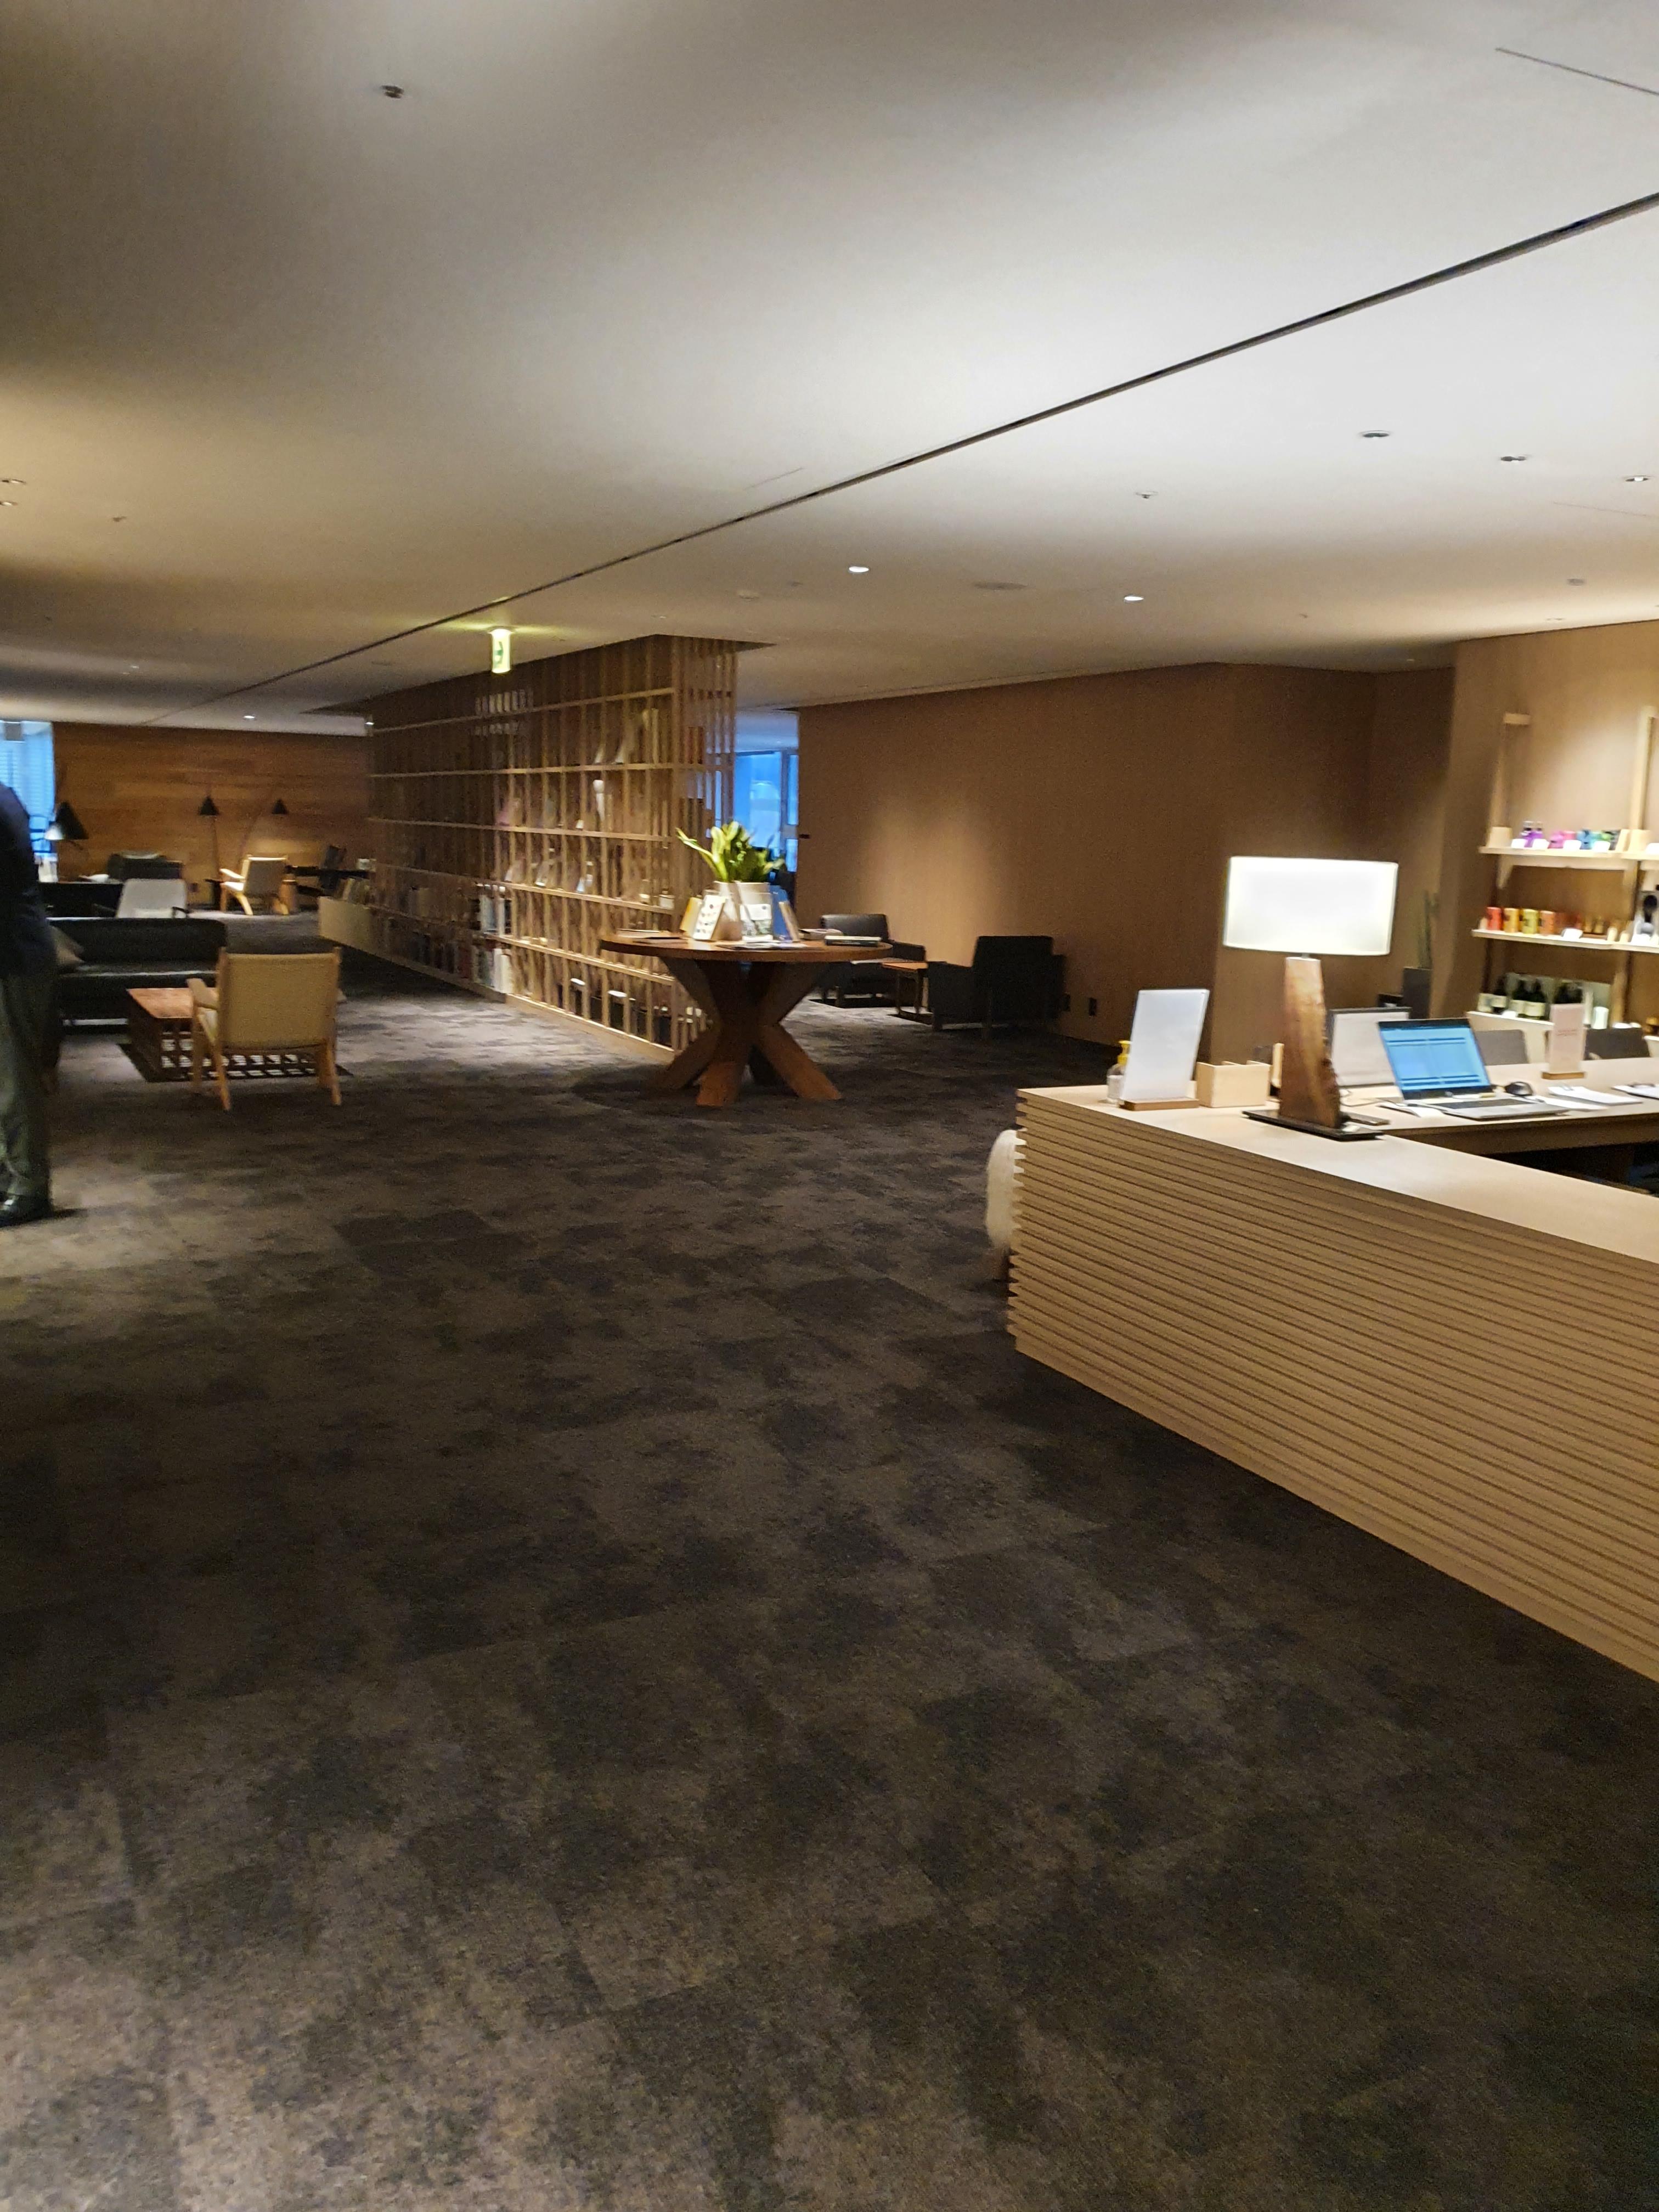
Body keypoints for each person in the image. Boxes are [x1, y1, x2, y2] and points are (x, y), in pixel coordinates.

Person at [0, 780, 59, 1227]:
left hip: (12, 955)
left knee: (15, 1080)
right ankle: (12, 1180)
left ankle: (28, 1189)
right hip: (17, 951)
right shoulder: (6, 796)